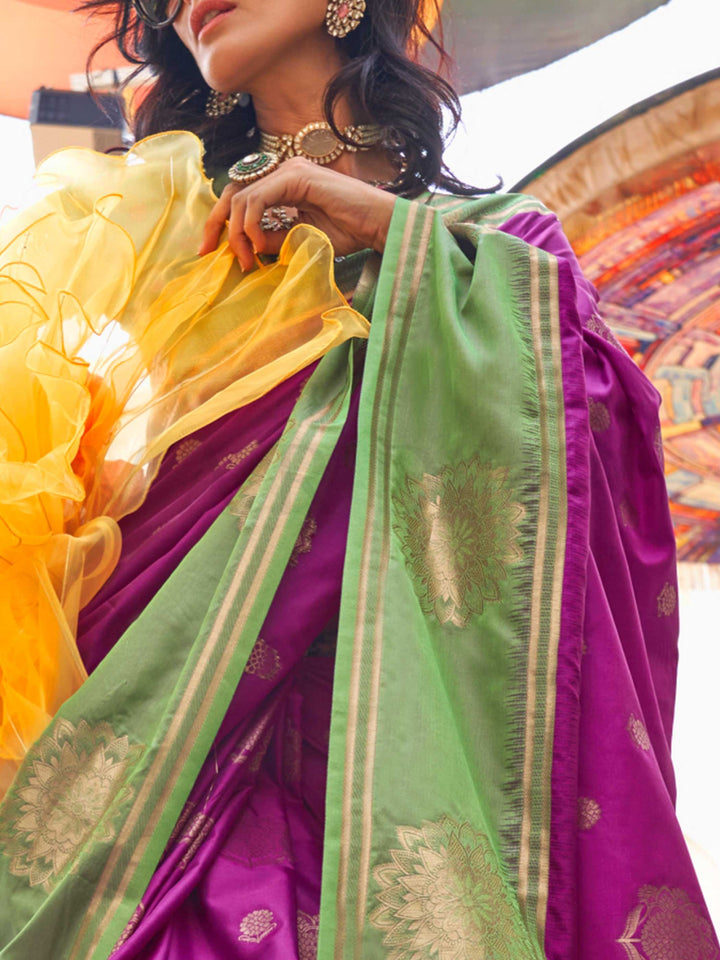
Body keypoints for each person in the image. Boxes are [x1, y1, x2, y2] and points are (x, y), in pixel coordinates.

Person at [0, 0, 716, 957]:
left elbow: (587, 460)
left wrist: (392, 238)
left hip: (397, 803)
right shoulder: (144, 248)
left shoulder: (503, 255)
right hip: (145, 808)